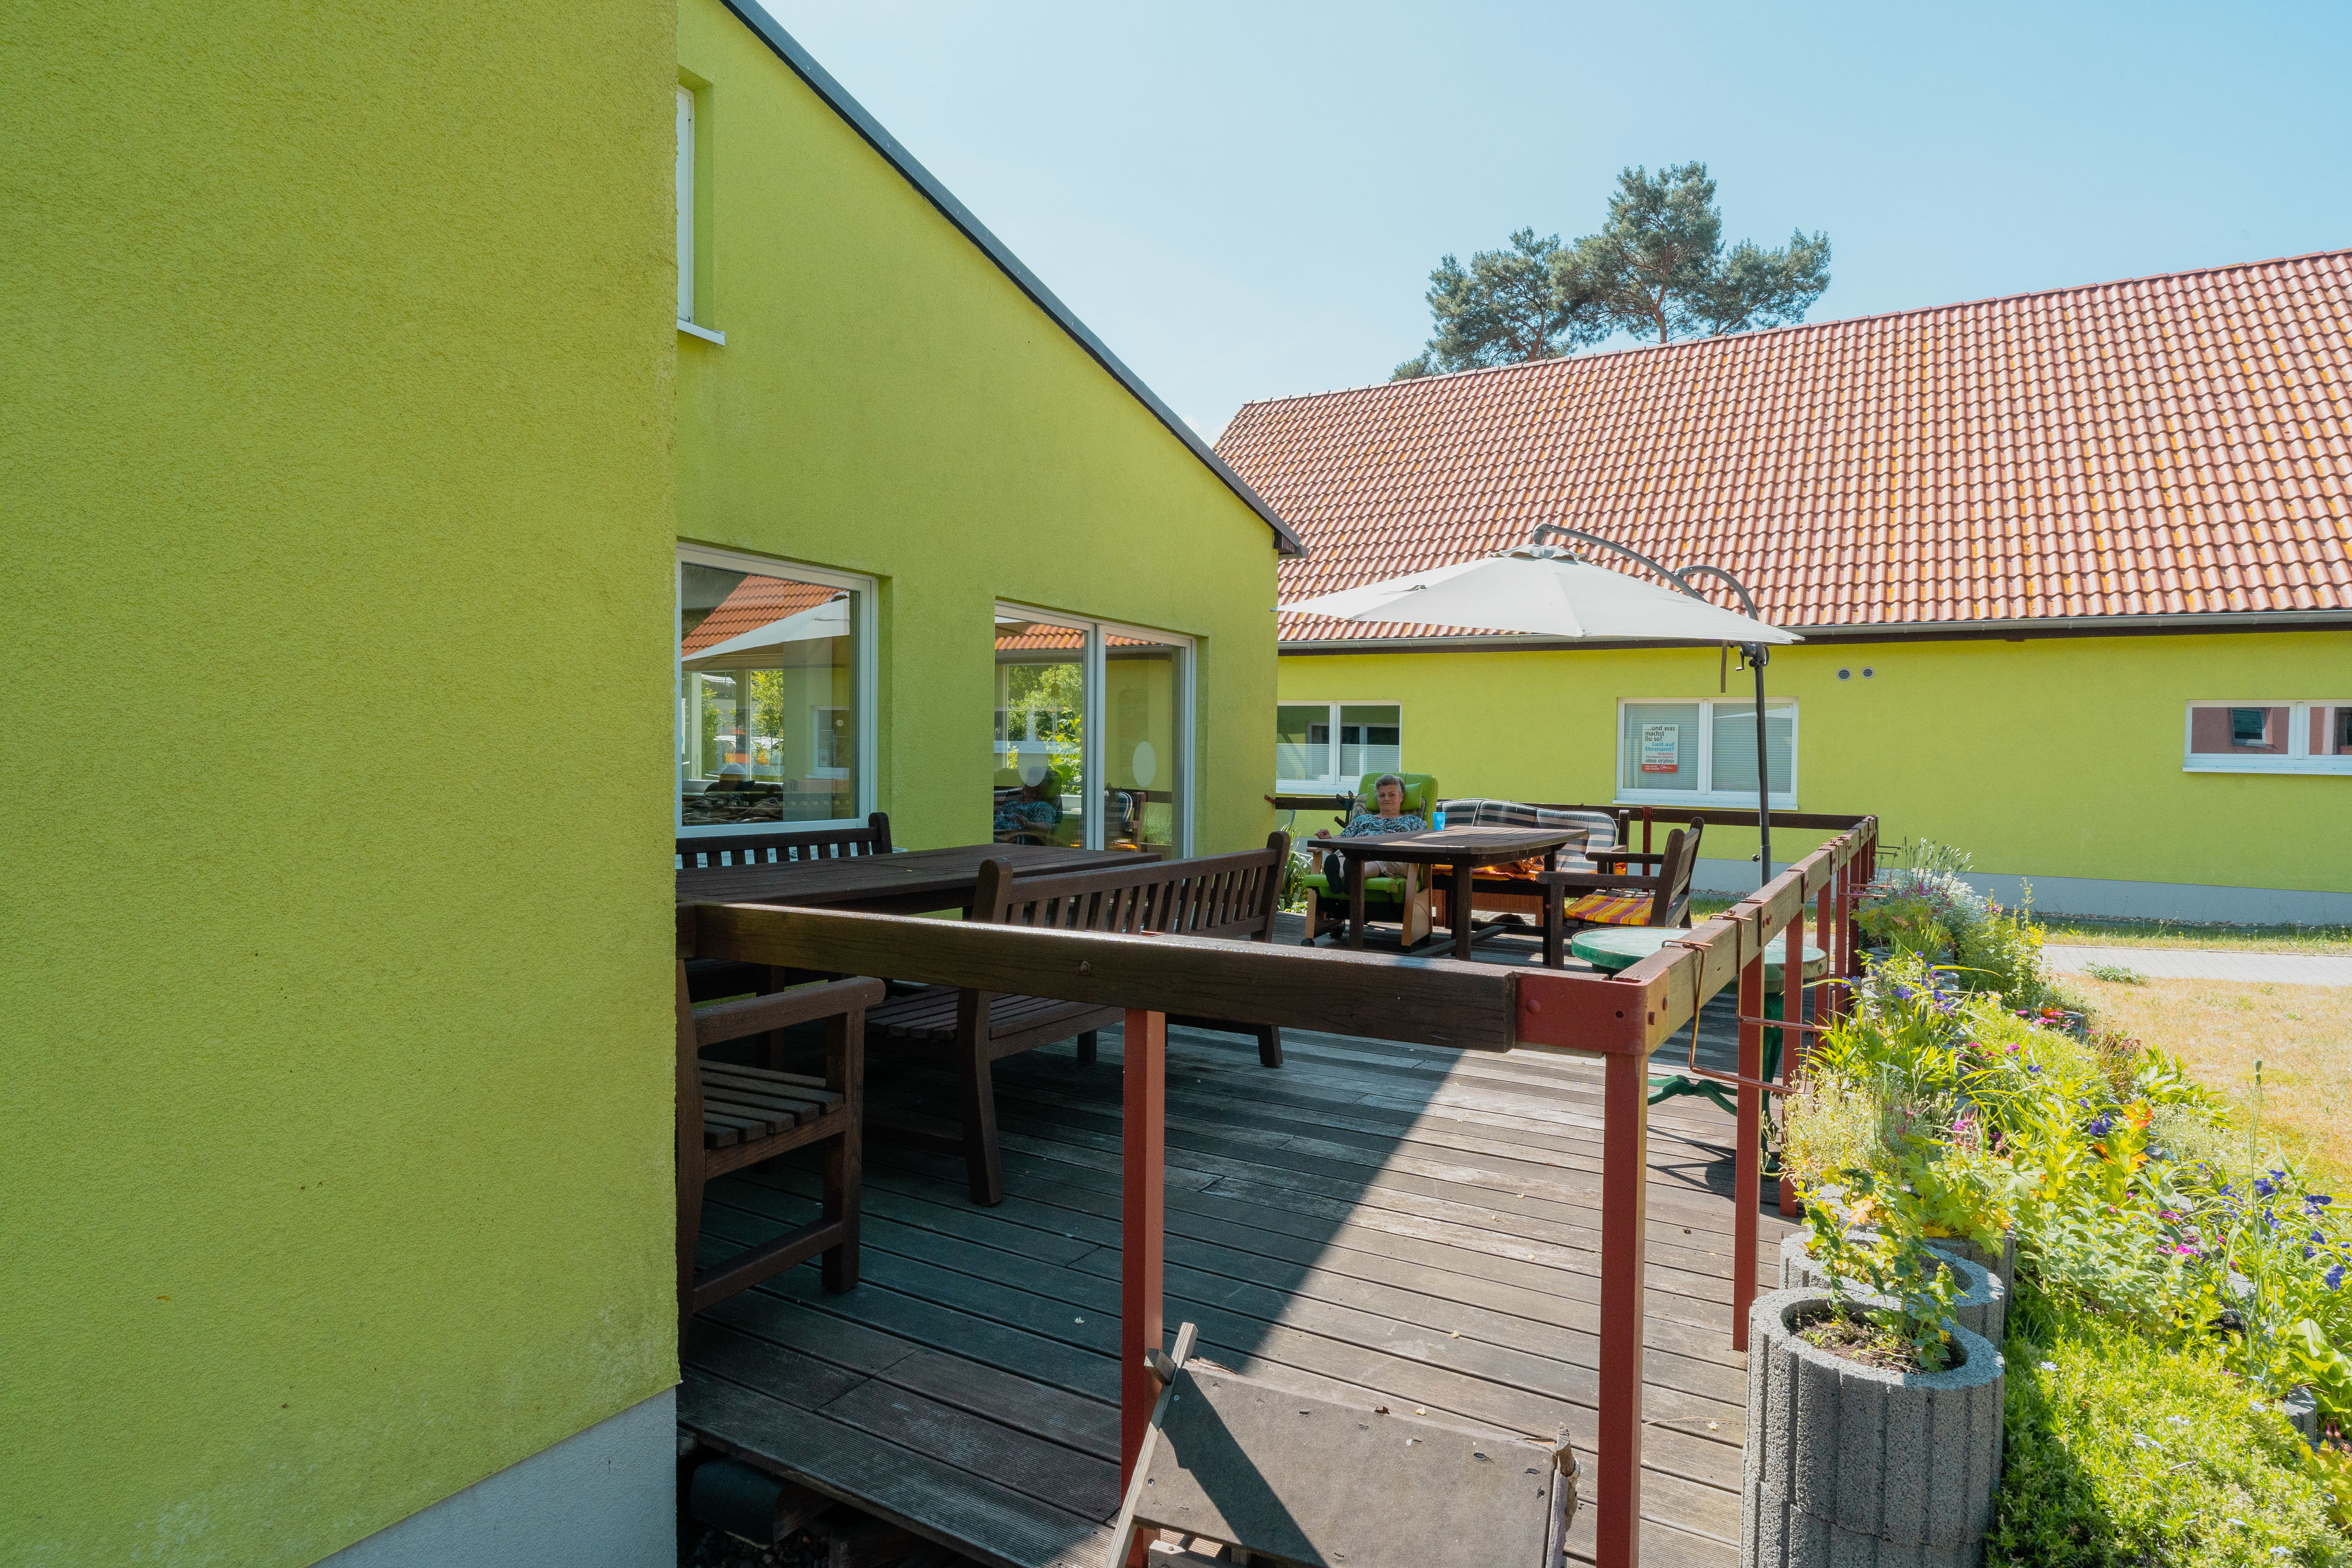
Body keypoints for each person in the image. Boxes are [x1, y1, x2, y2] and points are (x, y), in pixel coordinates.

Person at [1313, 773, 1425, 886]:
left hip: (1393, 857)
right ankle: (1339, 875)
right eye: (1382, 795)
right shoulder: (1362, 819)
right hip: (1360, 851)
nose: (1386, 799)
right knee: (1343, 853)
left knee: (1382, 860)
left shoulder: (1413, 821)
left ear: (1401, 797)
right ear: (1377, 798)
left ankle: (1354, 873)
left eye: (1392, 795)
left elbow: (1422, 845)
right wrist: (1330, 839)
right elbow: (1343, 840)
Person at [993, 777, 1062, 843]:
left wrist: (1027, 824)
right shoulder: (1013, 803)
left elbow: (1047, 828)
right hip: (994, 832)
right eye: (1027, 784)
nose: (1028, 787)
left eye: (1033, 785)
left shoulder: (1043, 806)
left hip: (1010, 837)